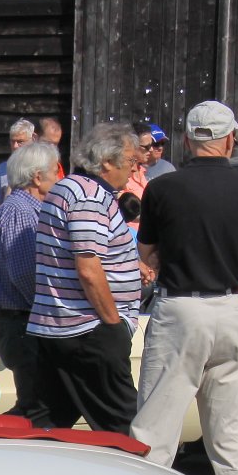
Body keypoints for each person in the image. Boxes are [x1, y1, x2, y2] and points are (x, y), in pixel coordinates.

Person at [131, 100, 238, 475]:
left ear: (188, 141)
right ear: (230, 139)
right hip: (230, 305)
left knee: (156, 431)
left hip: (181, 305)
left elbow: (146, 253)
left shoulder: (162, 188)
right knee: (231, 437)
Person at [26, 122, 143, 435]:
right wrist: (114, 324)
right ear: (106, 162)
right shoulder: (89, 196)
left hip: (64, 327)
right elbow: (88, 268)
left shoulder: (68, 187)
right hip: (87, 329)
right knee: (125, 429)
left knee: (46, 423)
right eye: (130, 161)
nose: (134, 169)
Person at [0, 140, 61, 421]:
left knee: (40, 405)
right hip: (21, 321)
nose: (59, 178)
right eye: (55, 171)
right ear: (38, 177)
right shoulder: (21, 211)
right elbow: (26, 272)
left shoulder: (25, 208)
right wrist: (52, 314)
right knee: (38, 409)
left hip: (20, 320)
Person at [0, 118, 36, 208]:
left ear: (33, 139)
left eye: (20, 142)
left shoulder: (41, 167)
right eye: (12, 141)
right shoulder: (3, 168)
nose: (15, 146)